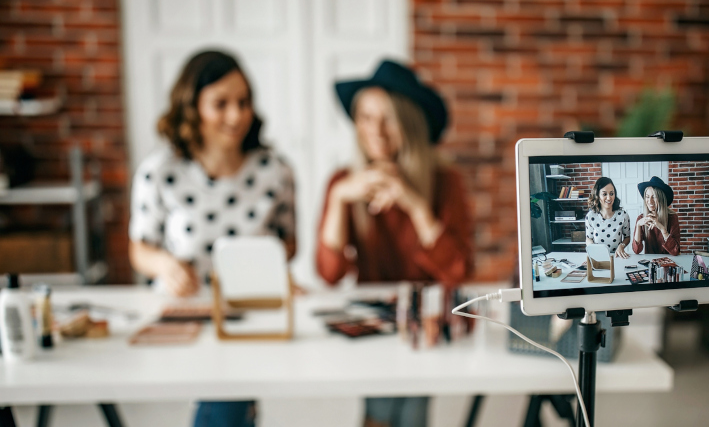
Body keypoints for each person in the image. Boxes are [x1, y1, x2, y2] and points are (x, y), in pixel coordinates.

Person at [128, 50, 296, 427]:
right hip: (186, 310)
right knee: (229, 406)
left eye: (243, 102)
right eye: (221, 104)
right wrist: (165, 264)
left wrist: (270, 266)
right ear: (192, 107)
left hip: (250, 311)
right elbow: (139, 247)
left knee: (229, 403)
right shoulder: (160, 171)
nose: (236, 116)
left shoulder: (275, 171)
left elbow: (289, 243)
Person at [316, 60, 472, 427]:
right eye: (366, 118)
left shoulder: (445, 181)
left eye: (388, 118)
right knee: (383, 412)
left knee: (411, 412)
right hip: (374, 323)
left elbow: (458, 271)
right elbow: (329, 273)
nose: (376, 131)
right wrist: (339, 199)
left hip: (426, 323)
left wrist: (414, 204)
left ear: (410, 123)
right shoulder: (343, 180)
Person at [631, 176, 680, 256]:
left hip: (669, 262)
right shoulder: (641, 219)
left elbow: (675, 251)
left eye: (654, 197)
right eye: (647, 196)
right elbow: (637, 250)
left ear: (661, 198)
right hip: (650, 263)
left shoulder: (672, 218)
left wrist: (661, 228)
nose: (650, 201)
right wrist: (638, 225)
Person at [585, 177, 630, 258]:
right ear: (598, 195)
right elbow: (588, 239)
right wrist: (593, 249)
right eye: (604, 194)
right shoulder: (590, 216)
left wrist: (622, 246)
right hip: (597, 257)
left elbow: (627, 237)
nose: (609, 198)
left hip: (616, 257)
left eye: (611, 193)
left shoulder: (623, 215)